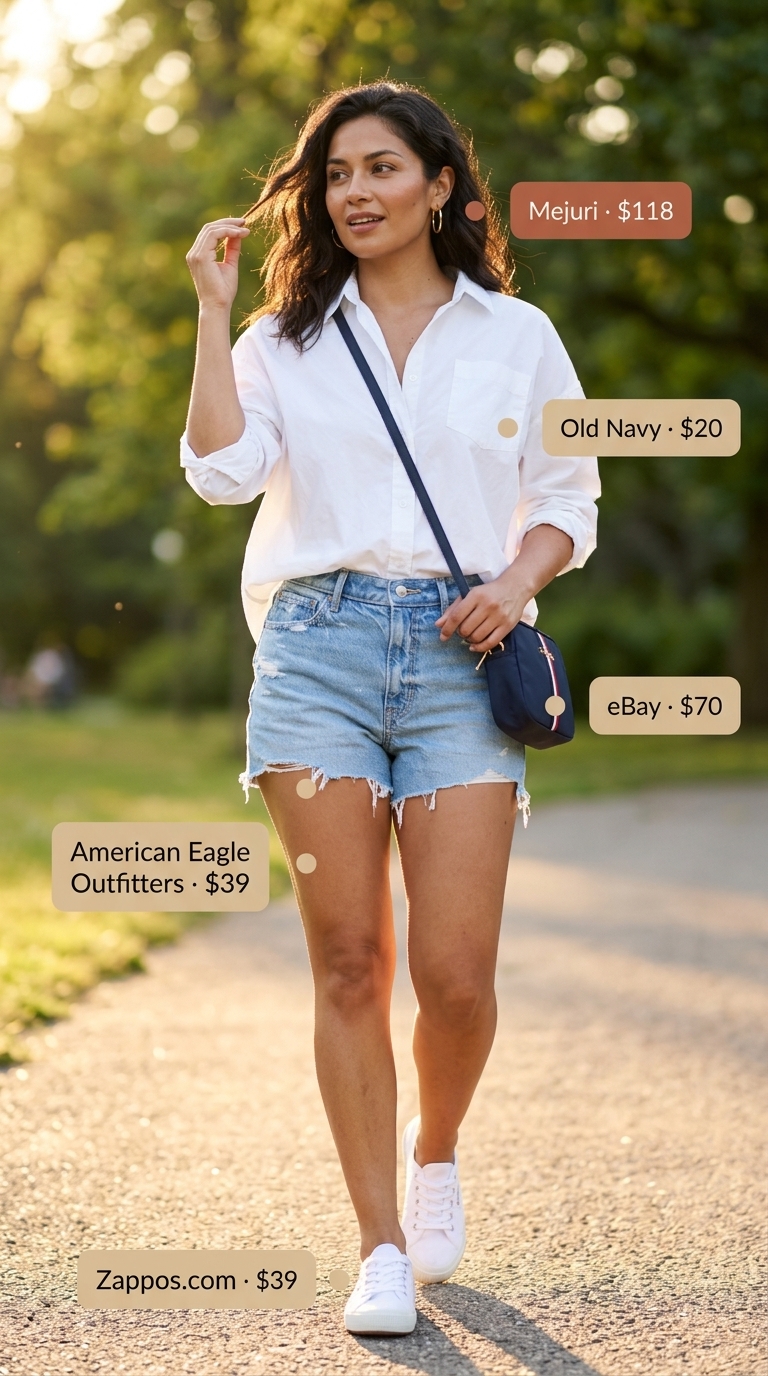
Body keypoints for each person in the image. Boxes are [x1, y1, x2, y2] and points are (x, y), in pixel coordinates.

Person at [182, 81, 599, 1336]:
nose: (354, 192)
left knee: (455, 975)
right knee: (351, 959)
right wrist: (213, 315)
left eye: (380, 168)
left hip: (464, 654)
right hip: (316, 649)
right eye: (335, 175)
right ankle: (375, 1242)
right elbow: (220, 473)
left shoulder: (516, 334)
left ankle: (436, 1151)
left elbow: (566, 495)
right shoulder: (283, 340)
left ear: (441, 186)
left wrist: (514, 585)